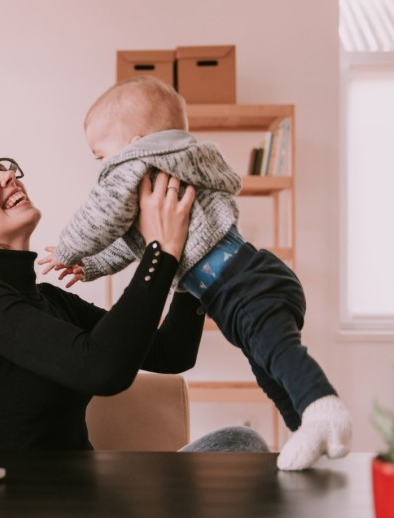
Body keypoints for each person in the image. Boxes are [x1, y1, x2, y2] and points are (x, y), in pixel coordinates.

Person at [42, 76, 351, 470]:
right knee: (269, 370)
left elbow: (100, 217)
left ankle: (324, 408)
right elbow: (132, 244)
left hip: (242, 282)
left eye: (100, 155)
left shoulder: (134, 165)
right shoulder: (173, 169)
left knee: (279, 353)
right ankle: (306, 431)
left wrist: (69, 248)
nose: (103, 166)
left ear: (135, 142)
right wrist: (89, 267)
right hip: (242, 282)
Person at [0, 145, 269, 454]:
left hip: (88, 493)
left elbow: (172, 353)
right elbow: (102, 370)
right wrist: (161, 252)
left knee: (241, 442)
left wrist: (192, 261)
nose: (7, 176)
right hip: (20, 506)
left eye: (3, 168)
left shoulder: (50, 300)